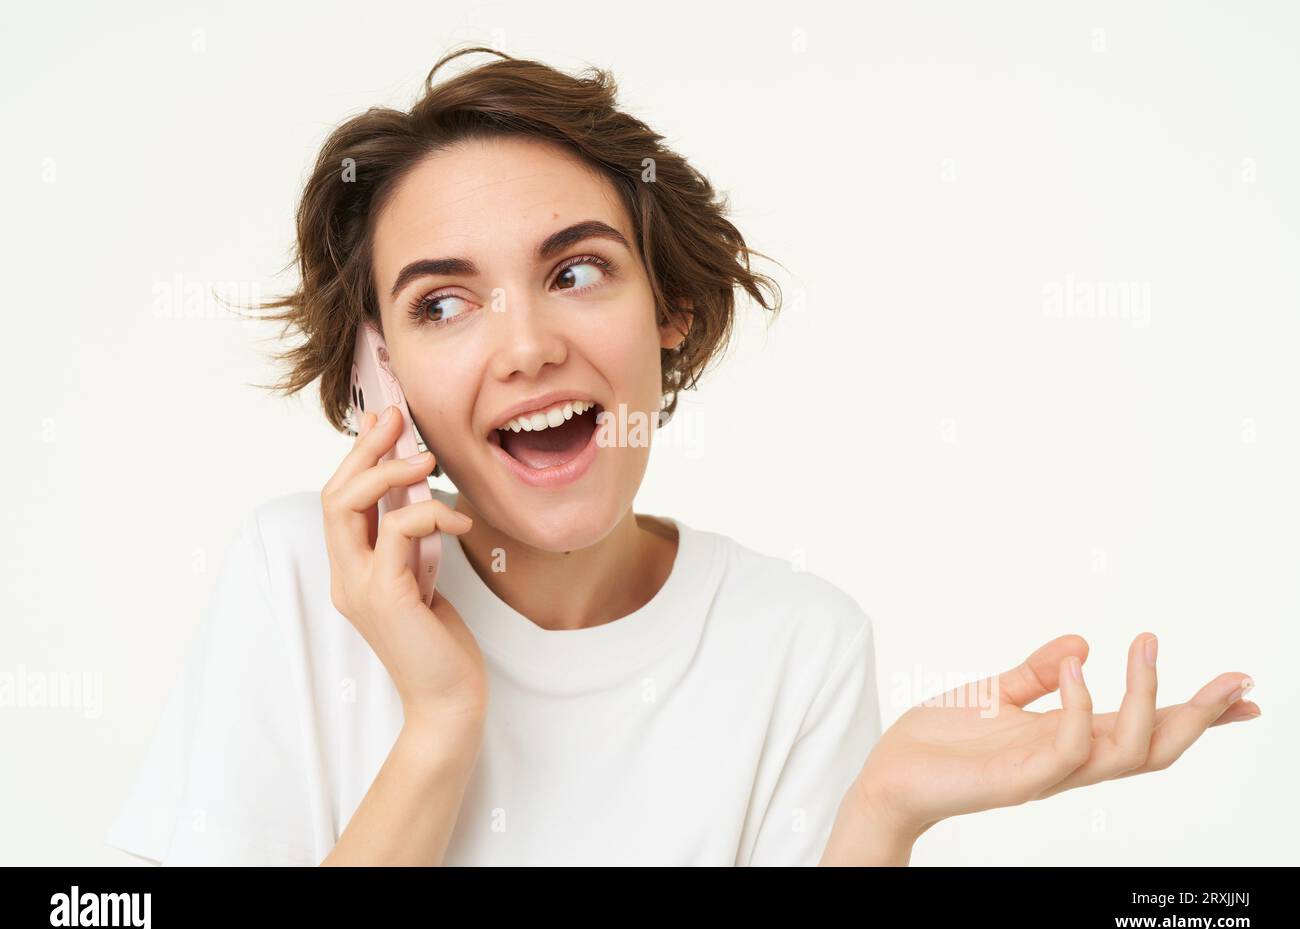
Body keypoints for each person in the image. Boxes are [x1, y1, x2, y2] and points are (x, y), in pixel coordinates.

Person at [104, 47, 1260, 867]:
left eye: (575, 271)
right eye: (444, 302)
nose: (527, 346)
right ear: (383, 370)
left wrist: (882, 814)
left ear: (672, 309)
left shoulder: (797, 641)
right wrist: (441, 717)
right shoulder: (297, 582)